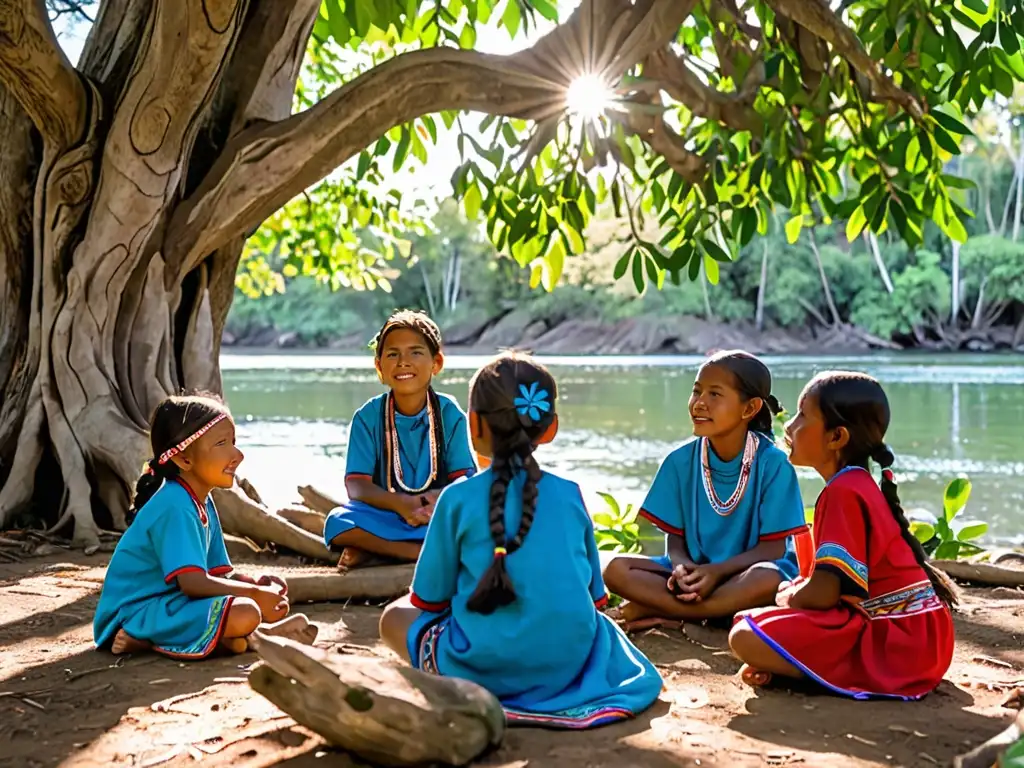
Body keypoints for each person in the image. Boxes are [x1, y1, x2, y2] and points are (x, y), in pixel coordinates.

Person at [378, 352, 663, 729]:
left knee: (394, 617)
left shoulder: (456, 498)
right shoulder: (571, 494)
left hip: (485, 668)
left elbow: (430, 599)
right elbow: (595, 598)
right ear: (550, 429)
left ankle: (477, 687)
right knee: (600, 627)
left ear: (474, 425)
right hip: (566, 664)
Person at [729, 371, 957, 699]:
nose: (790, 426)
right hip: (925, 639)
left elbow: (823, 595)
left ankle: (807, 671)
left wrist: (788, 598)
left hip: (901, 648)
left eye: (803, 415)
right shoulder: (857, 484)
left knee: (745, 634)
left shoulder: (843, 492)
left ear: (836, 437)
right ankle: (795, 661)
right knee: (761, 618)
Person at [94, 394, 316, 659]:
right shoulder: (174, 504)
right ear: (184, 460)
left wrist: (253, 583)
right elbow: (193, 583)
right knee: (246, 611)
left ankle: (244, 640)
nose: (238, 454)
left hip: (172, 603)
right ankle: (144, 641)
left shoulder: (200, 500)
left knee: (248, 609)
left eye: (234, 442)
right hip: (136, 612)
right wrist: (254, 594)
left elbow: (214, 575)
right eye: (222, 444)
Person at [603, 350, 807, 630]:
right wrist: (682, 568)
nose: (699, 403)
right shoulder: (679, 462)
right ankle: (708, 611)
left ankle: (672, 610)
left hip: (744, 575)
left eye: (714, 394)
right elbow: (675, 541)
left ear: (749, 409)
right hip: (696, 571)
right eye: (697, 391)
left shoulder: (773, 464)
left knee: (768, 579)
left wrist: (717, 571)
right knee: (616, 569)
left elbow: (772, 550)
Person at [323, 310, 477, 570]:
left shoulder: (449, 413)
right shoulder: (368, 417)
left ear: (436, 363)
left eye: (415, 352)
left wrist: (433, 500)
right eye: (392, 354)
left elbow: (465, 479)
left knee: (478, 518)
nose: (403, 362)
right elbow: (357, 486)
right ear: (379, 366)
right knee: (338, 523)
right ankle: (413, 553)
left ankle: (376, 552)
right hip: (387, 513)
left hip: (436, 513)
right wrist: (401, 504)